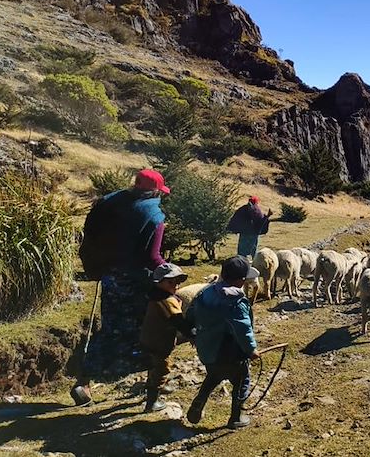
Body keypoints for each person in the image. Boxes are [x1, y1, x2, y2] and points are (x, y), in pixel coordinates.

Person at [71, 169, 170, 406]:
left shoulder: (113, 203)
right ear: (156, 191)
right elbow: (152, 257)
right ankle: (152, 392)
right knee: (151, 332)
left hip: (110, 277)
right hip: (137, 283)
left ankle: (83, 382)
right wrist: (170, 270)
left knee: (110, 329)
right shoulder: (154, 216)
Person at [186, 256, 261, 429]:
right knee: (242, 381)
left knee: (213, 376)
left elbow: (190, 314)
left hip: (208, 350)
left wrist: (193, 335)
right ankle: (236, 417)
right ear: (242, 280)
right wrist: (251, 349)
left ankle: (199, 401)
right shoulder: (235, 301)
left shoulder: (206, 292)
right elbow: (243, 328)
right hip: (230, 352)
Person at [140, 263, 194, 413]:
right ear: (159, 282)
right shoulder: (166, 301)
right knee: (162, 369)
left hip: (149, 337)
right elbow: (178, 321)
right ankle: (153, 401)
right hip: (160, 341)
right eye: (171, 282)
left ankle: (152, 385)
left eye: (177, 282)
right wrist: (192, 333)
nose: (175, 285)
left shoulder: (154, 295)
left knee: (153, 364)